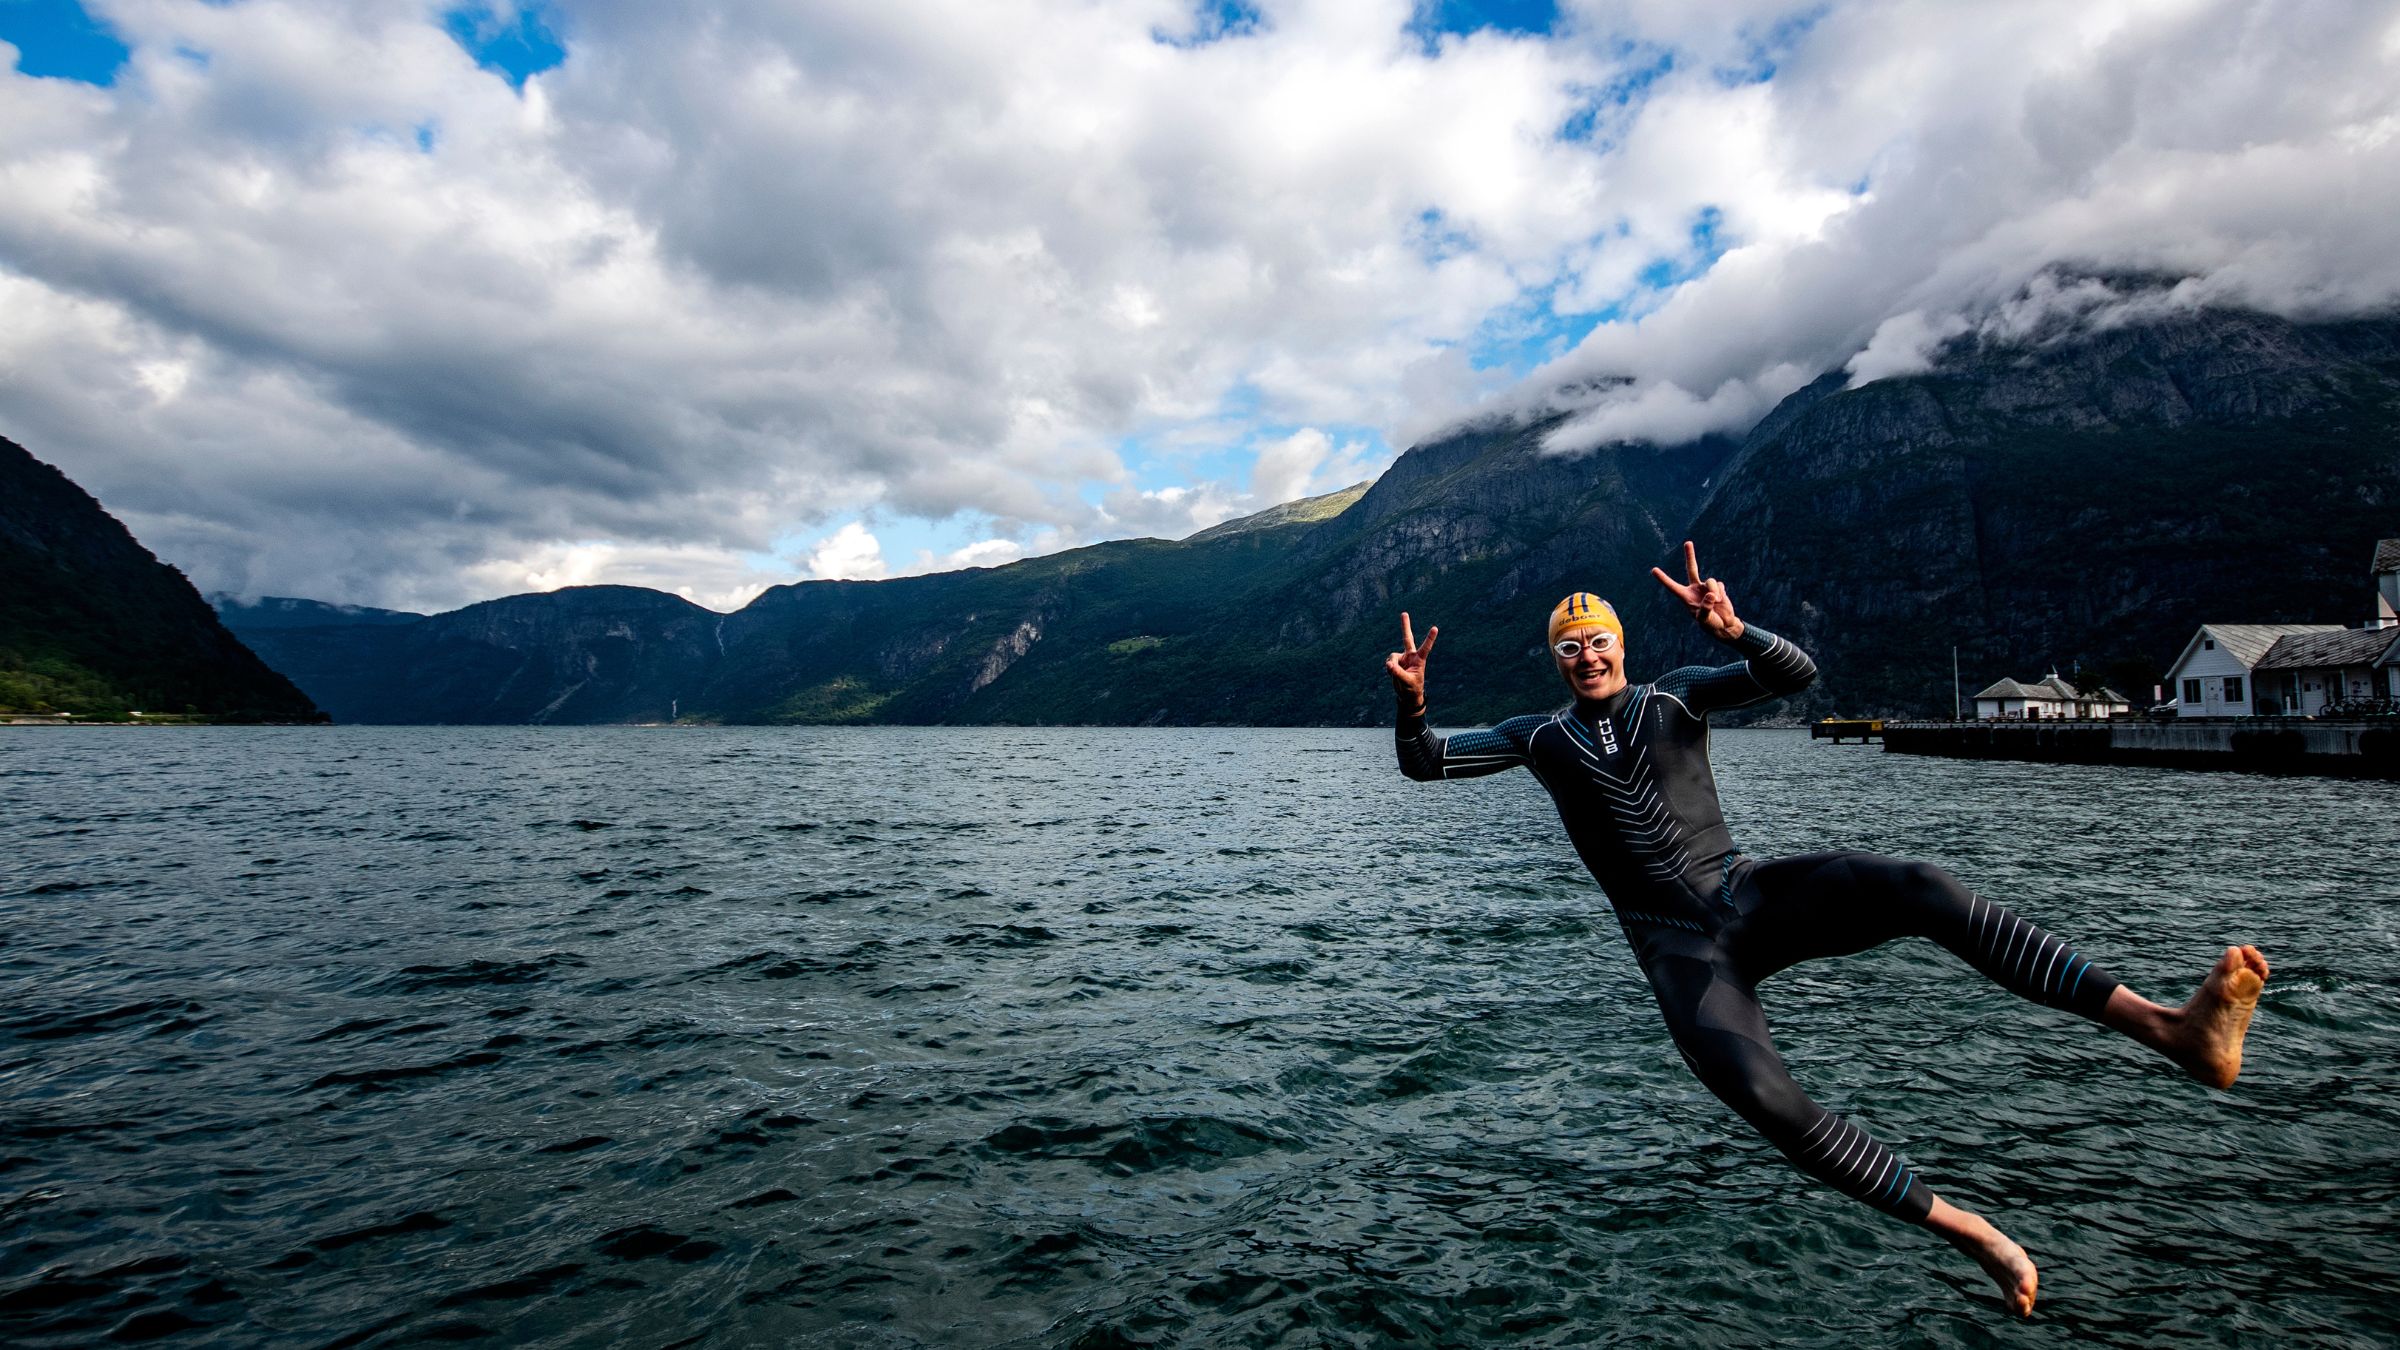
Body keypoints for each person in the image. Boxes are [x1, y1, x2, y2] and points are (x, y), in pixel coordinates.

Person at [1383, 540, 2268, 1316]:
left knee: (1922, 886)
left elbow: (1795, 676)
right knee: (1767, 1102)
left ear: (1624, 643)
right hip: (1681, 953)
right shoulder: (1537, 738)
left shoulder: (1678, 696)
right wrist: (1413, 702)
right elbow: (1425, 766)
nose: (1587, 655)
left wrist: (1736, 634)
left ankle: (2171, 1030)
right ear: (1556, 661)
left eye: (1600, 640)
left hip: (1749, 897)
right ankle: (1970, 1231)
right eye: (1570, 648)